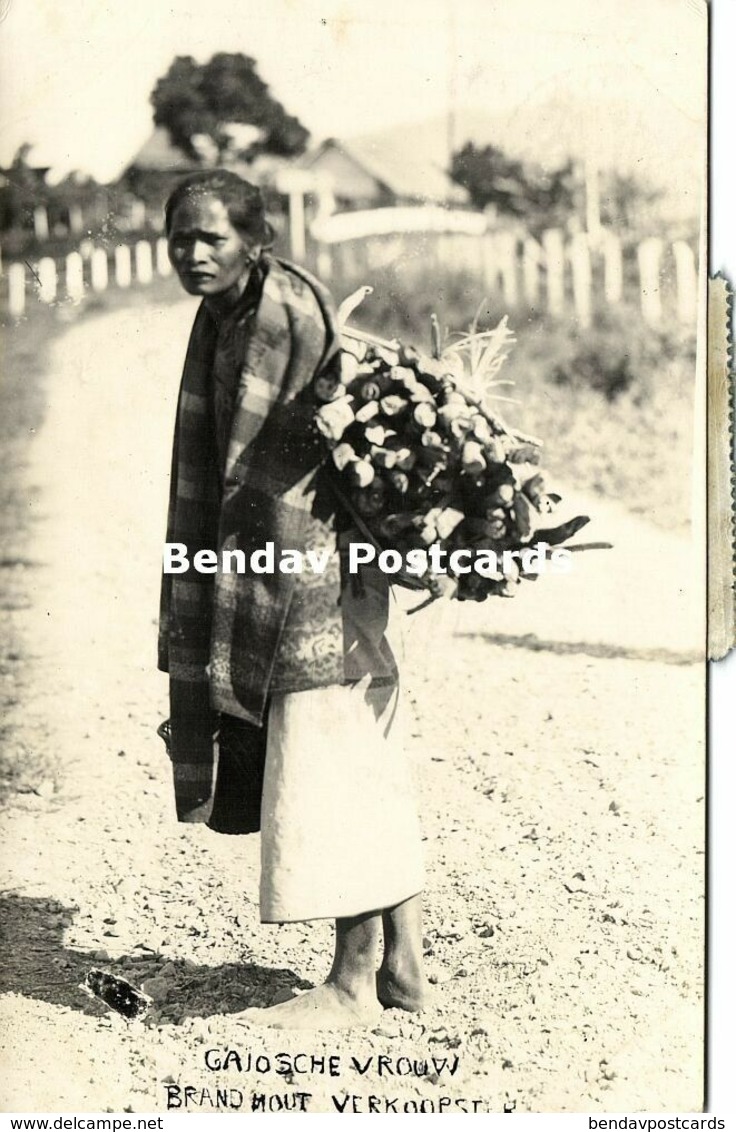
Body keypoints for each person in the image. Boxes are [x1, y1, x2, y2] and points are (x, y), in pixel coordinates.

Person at [158, 170, 427, 1029]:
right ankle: (406, 971)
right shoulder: (227, 310)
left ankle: (352, 985)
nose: (195, 253)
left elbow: (272, 476)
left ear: (255, 239)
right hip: (300, 564)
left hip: (312, 572)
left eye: (213, 238)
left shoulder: (275, 314)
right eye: (181, 238)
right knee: (355, 753)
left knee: (331, 754)